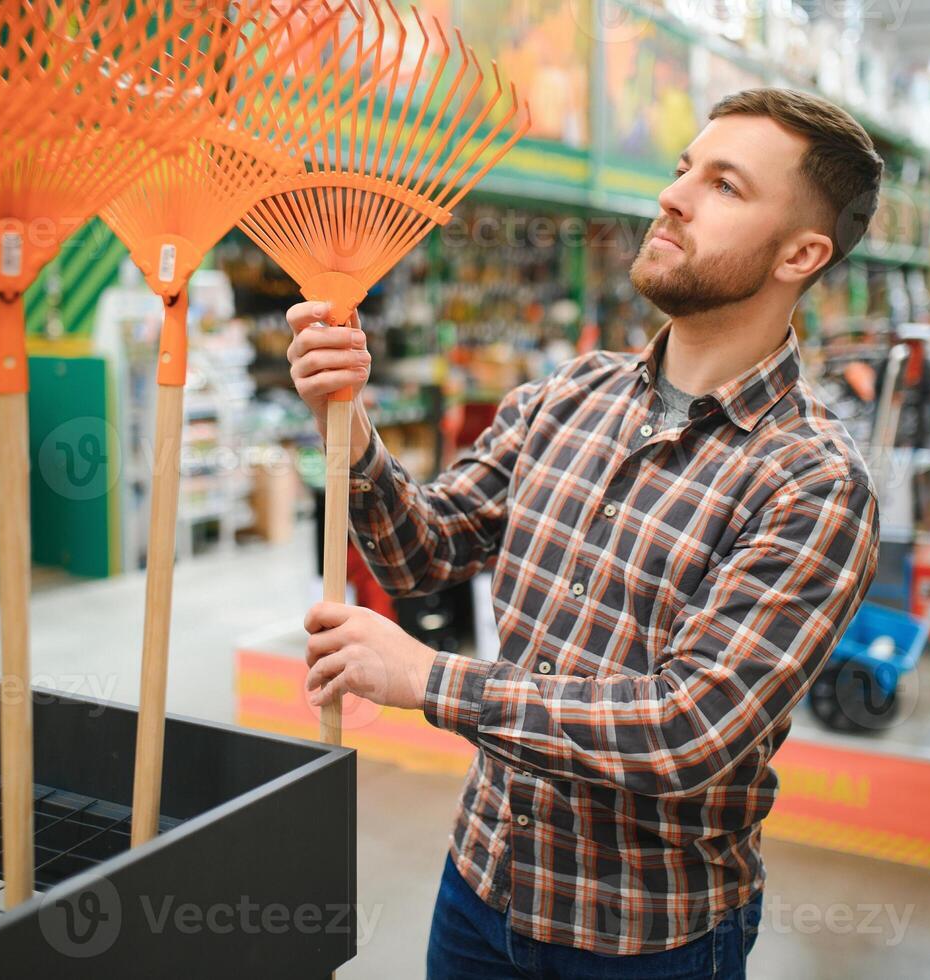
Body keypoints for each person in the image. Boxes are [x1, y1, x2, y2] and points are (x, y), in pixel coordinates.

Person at [288, 87, 884, 978]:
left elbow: (688, 730)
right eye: (683, 169)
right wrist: (352, 427)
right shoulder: (570, 395)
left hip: (647, 936)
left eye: (724, 185)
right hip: (482, 887)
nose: (672, 197)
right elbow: (427, 552)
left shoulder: (811, 482)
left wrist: (431, 678)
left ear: (802, 252)